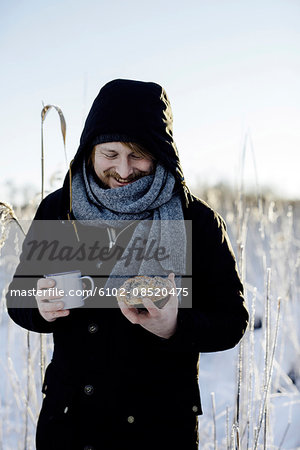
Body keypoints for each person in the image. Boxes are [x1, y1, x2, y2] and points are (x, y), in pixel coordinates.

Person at [6, 79, 249, 450]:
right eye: (110, 153)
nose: (123, 169)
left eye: (138, 154)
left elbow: (232, 320)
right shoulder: (60, 209)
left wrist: (175, 325)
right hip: (72, 422)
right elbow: (18, 295)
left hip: (159, 427)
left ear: (162, 151)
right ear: (90, 149)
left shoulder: (195, 220)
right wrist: (38, 305)